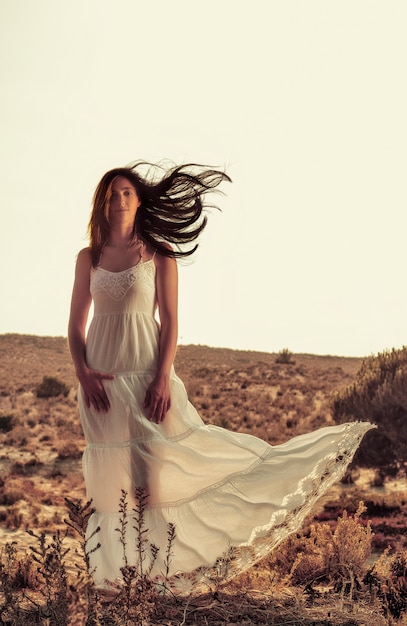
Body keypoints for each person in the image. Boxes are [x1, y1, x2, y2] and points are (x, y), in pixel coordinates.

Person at [68, 161, 374, 594]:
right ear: (100, 203)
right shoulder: (88, 258)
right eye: (110, 193)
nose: (116, 200)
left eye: (125, 193)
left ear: (139, 203)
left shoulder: (158, 254)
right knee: (109, 480)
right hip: (100, 384)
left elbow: (171, 323)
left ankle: (158, 576)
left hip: (145, 375)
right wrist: (83, 374)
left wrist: (160, 380)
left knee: (150, 476)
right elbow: (75, 325)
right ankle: (116, 581)